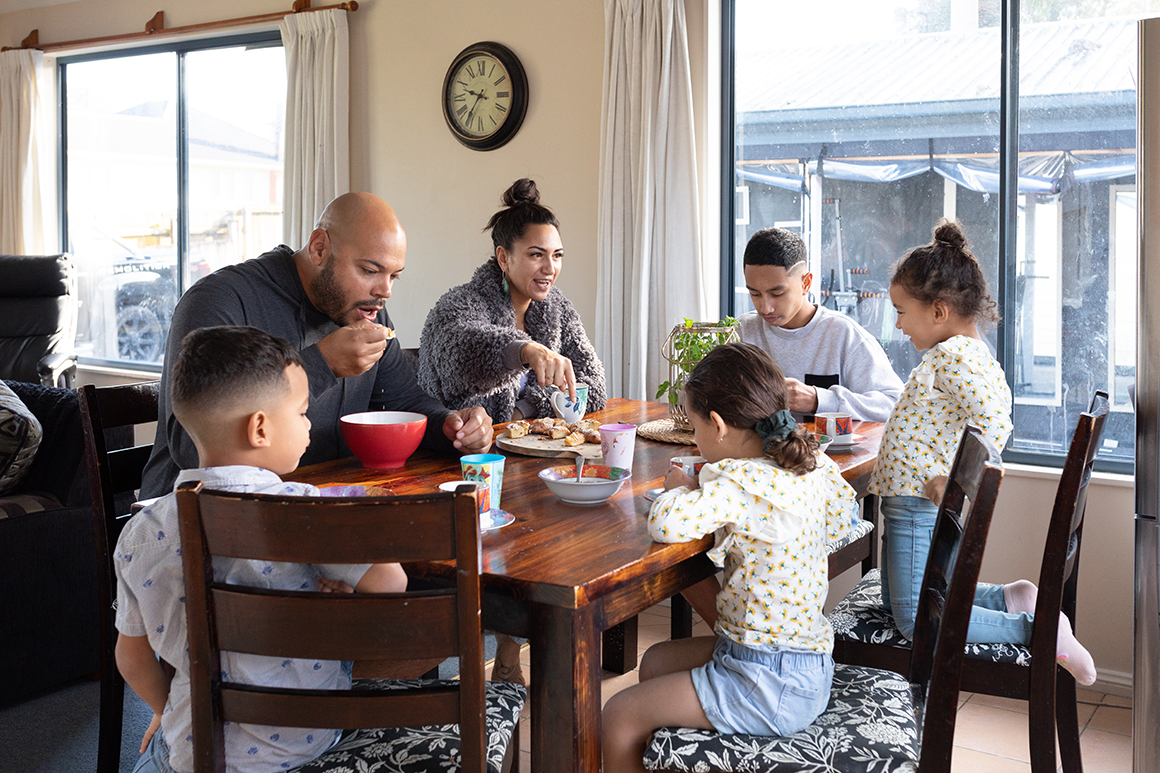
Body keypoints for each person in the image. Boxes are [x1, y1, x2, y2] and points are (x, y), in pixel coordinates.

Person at [115, 326, 409, 773]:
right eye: (303, 412)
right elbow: (391, 585)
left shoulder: (140, 530)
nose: (309, 423)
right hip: (299, 748)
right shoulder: (307, 513)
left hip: (189, 754)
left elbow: (131, 656)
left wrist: (162, 709)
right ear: (259, 428)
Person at [601, 342, 860, 772]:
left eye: (695, 428)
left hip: (764, 682)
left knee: (618, 716)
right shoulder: (811, 464)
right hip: (803, 665)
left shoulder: (738, 480)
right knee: (656, 662)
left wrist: (680, 486)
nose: (696, 440)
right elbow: (843, 520)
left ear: (717, 425)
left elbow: (665, 524)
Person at [140, 192, 493, 499]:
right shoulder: (222, 300)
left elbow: (403, 402)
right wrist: (323, 363)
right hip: (200, 527)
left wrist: (452, 426)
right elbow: (191, 448)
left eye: (393, 276)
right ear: (319, 247)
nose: (385, 291)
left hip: (318, 510)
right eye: (370, 271)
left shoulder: (368, 314)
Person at [868, 219, 1096, 685]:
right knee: (907, 601)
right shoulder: (958, 352)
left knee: (915, 619)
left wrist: (954, 479)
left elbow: (994, 420)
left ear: (938, 311)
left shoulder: (956, 356)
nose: (896, 324)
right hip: (908, 504)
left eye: (900, 311)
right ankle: (1015, 598)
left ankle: (1037, 629)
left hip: (916, 505)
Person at [417, 178, 606, 422]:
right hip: (459, 452)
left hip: (531, 448)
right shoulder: (459, 304)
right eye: (537, 254)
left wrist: (523, 411)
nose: (550, 268)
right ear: (504, 258)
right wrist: (525, 350)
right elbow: (460, 351)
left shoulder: (557, 308)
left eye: (557, 255)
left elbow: (593, 386)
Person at [737, 227, 903, 421]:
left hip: (829, 452)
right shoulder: (741, 332)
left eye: (777, 294)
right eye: (755, 294)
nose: (765, 308)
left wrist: (819, 400)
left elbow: (896, 405)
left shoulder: (844, 335)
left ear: (806, 283)